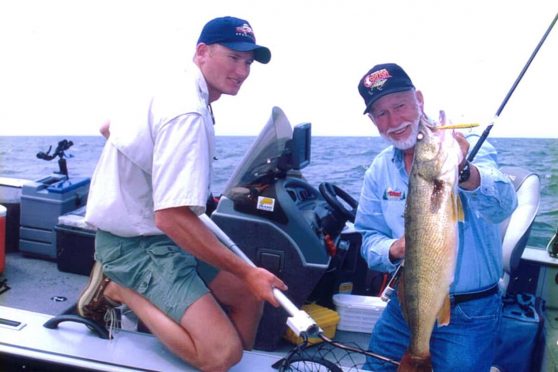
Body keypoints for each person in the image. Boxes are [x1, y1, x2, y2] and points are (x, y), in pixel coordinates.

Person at [77, 16, 288, 372]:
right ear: (202, 52)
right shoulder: (187, 109)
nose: (242, 71)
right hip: (135, 247)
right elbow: (171, 217)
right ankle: (118, 289)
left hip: (162, 237)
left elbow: (108, 128)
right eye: (233, 57)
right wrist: (250, 272)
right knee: (222, 353)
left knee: (249, 299)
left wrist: (154, 177)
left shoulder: (173, 88)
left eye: (248, 62)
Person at [354, 63, 518, 371]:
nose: (394, 121)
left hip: (471, 312)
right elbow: (367, 237)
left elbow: (504, 206)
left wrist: (465, 170)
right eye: (381, 113)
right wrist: (394, 248)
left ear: (419, 99)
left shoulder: (463, 147)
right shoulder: (379, 169)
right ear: (374, 121)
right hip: (406, 306)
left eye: (400, 106)